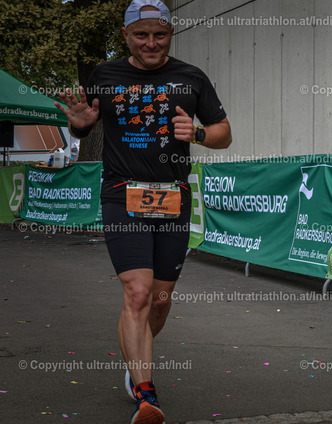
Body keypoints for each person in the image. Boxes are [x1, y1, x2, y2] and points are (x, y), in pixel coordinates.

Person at [54, 1, 232, 423]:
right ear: (125, 35)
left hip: (173, 197)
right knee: (137, 293)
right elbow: (84, 124)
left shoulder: (191, 77)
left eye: (160, 35)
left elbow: (224, 133)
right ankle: (145, 394)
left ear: (171, 33)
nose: (151, 43)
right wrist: (79, 125)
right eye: (141, 35)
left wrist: (199, 133)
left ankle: (135, 360)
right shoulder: (105, 75)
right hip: (123, 195)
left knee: (160, 301)